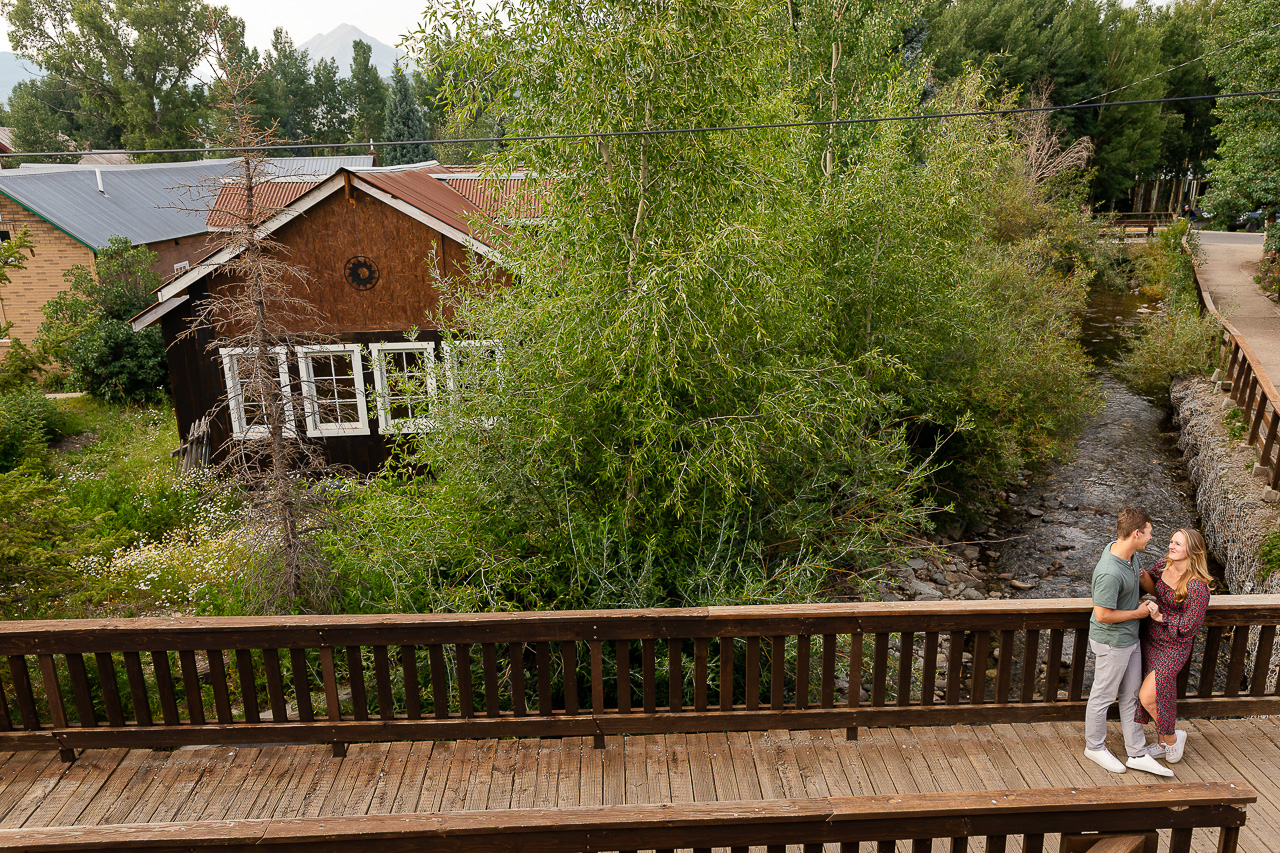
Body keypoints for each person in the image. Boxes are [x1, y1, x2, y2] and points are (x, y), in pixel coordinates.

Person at [1082, 507, 1172, 776]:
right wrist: (1139, 612)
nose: (1151, 538)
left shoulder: (1127, 553)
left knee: (1132, 696)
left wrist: (1146, 585)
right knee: (1103, 695)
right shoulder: (1109, 572)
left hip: (1130, 638)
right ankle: (1094, 747)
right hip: (1112, 642)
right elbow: (1102, 614)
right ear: (1135, 533)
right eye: (1148, 534)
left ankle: (1137, 752)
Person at [1136, 528, 1213, 764]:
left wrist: (1161, 617)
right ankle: (1161, 743)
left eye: (1178, 544)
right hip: (1151, 639)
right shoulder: (1162, 566)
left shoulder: (1197, 586)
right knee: (1159, 696)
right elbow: (1152, 586)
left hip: (1174, 646)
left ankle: (1171, 739)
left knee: (1148, 697)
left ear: (1192, 550)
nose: (1172, 546)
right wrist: (1139, 575)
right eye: (1171, 541)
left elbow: (1191, 626)